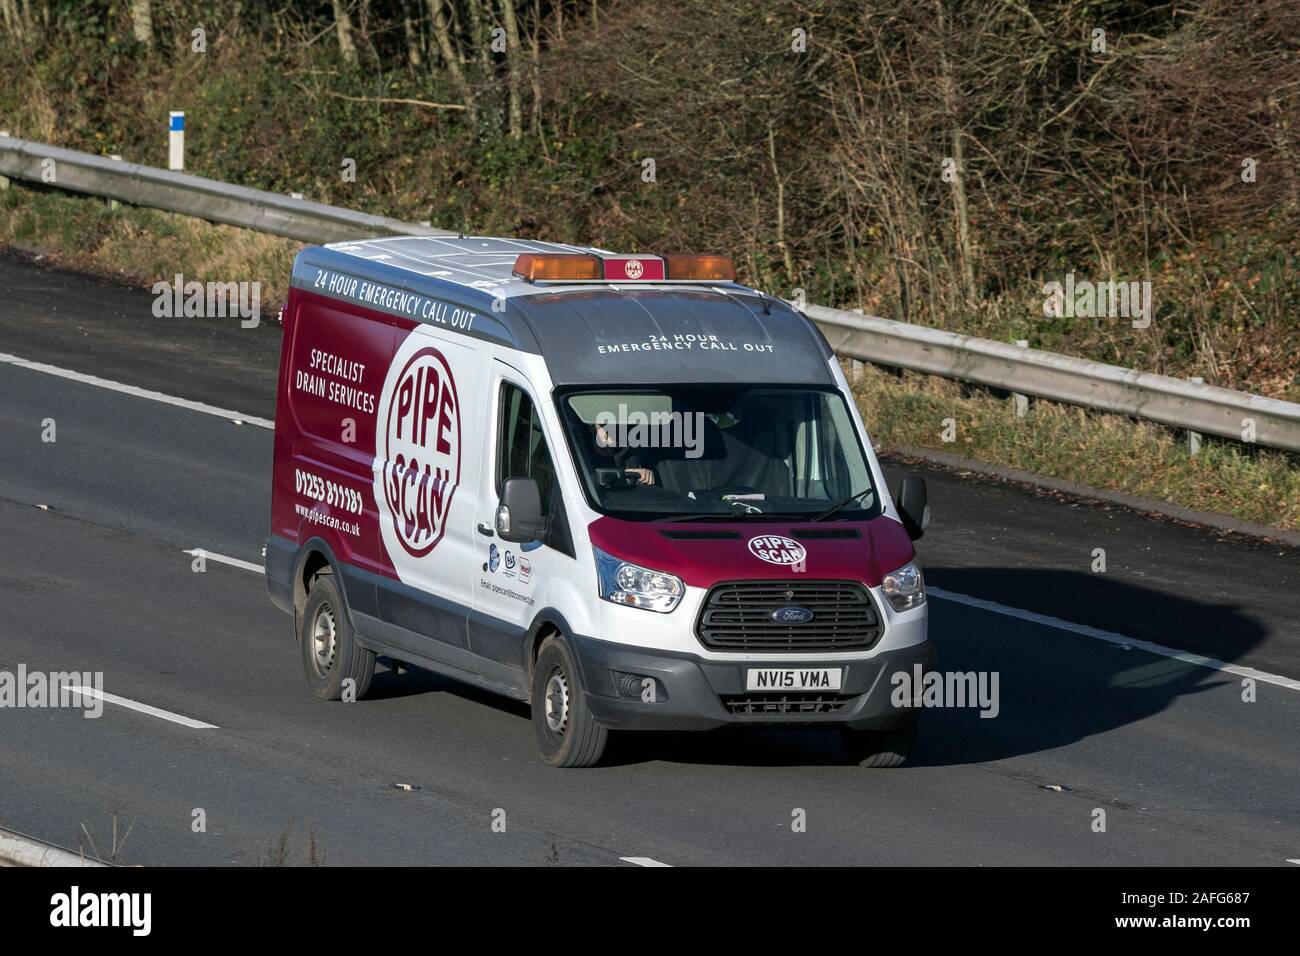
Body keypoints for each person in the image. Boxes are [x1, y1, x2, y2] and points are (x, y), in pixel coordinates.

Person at [593, 422, 656, 486]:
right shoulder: (584, 458)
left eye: (616, 429)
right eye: (607, 430)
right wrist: (624, 473)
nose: (610, 441)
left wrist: (645, 475)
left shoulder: (633, 450)